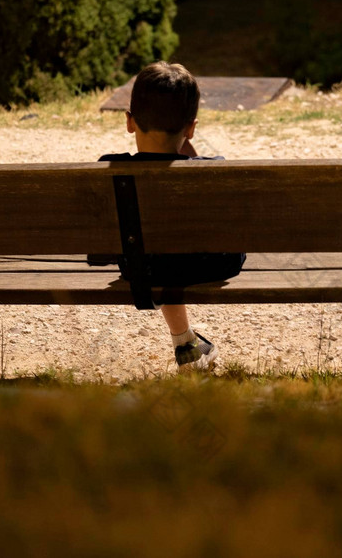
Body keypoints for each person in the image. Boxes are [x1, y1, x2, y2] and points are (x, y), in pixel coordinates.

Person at [90, 61, 245, 371]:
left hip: (144, 268)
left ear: (129, 122)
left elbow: (99, 256)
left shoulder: (110, 168)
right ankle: (186, 346)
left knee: (152, 251)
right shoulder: (212, 169)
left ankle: (186, 343)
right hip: (212, 266)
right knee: (174, 247)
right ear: (191, 128)